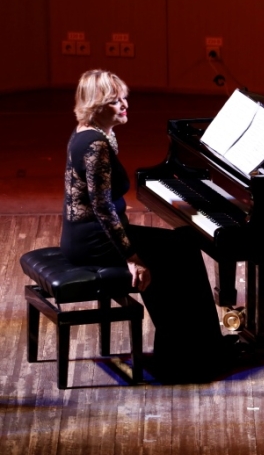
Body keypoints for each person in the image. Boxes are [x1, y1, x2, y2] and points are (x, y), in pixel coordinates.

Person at [61, 69, 236, 383]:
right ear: (97, 105)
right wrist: (132, 258)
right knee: (179, 251)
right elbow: (102, 208)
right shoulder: (95, 145)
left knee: (182, 243)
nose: (125, 105)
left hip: (88, 235)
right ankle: (192, 359)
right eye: (116, 101)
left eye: (124, 98)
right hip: (96, 239)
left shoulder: (91, 133)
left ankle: (190, 352)